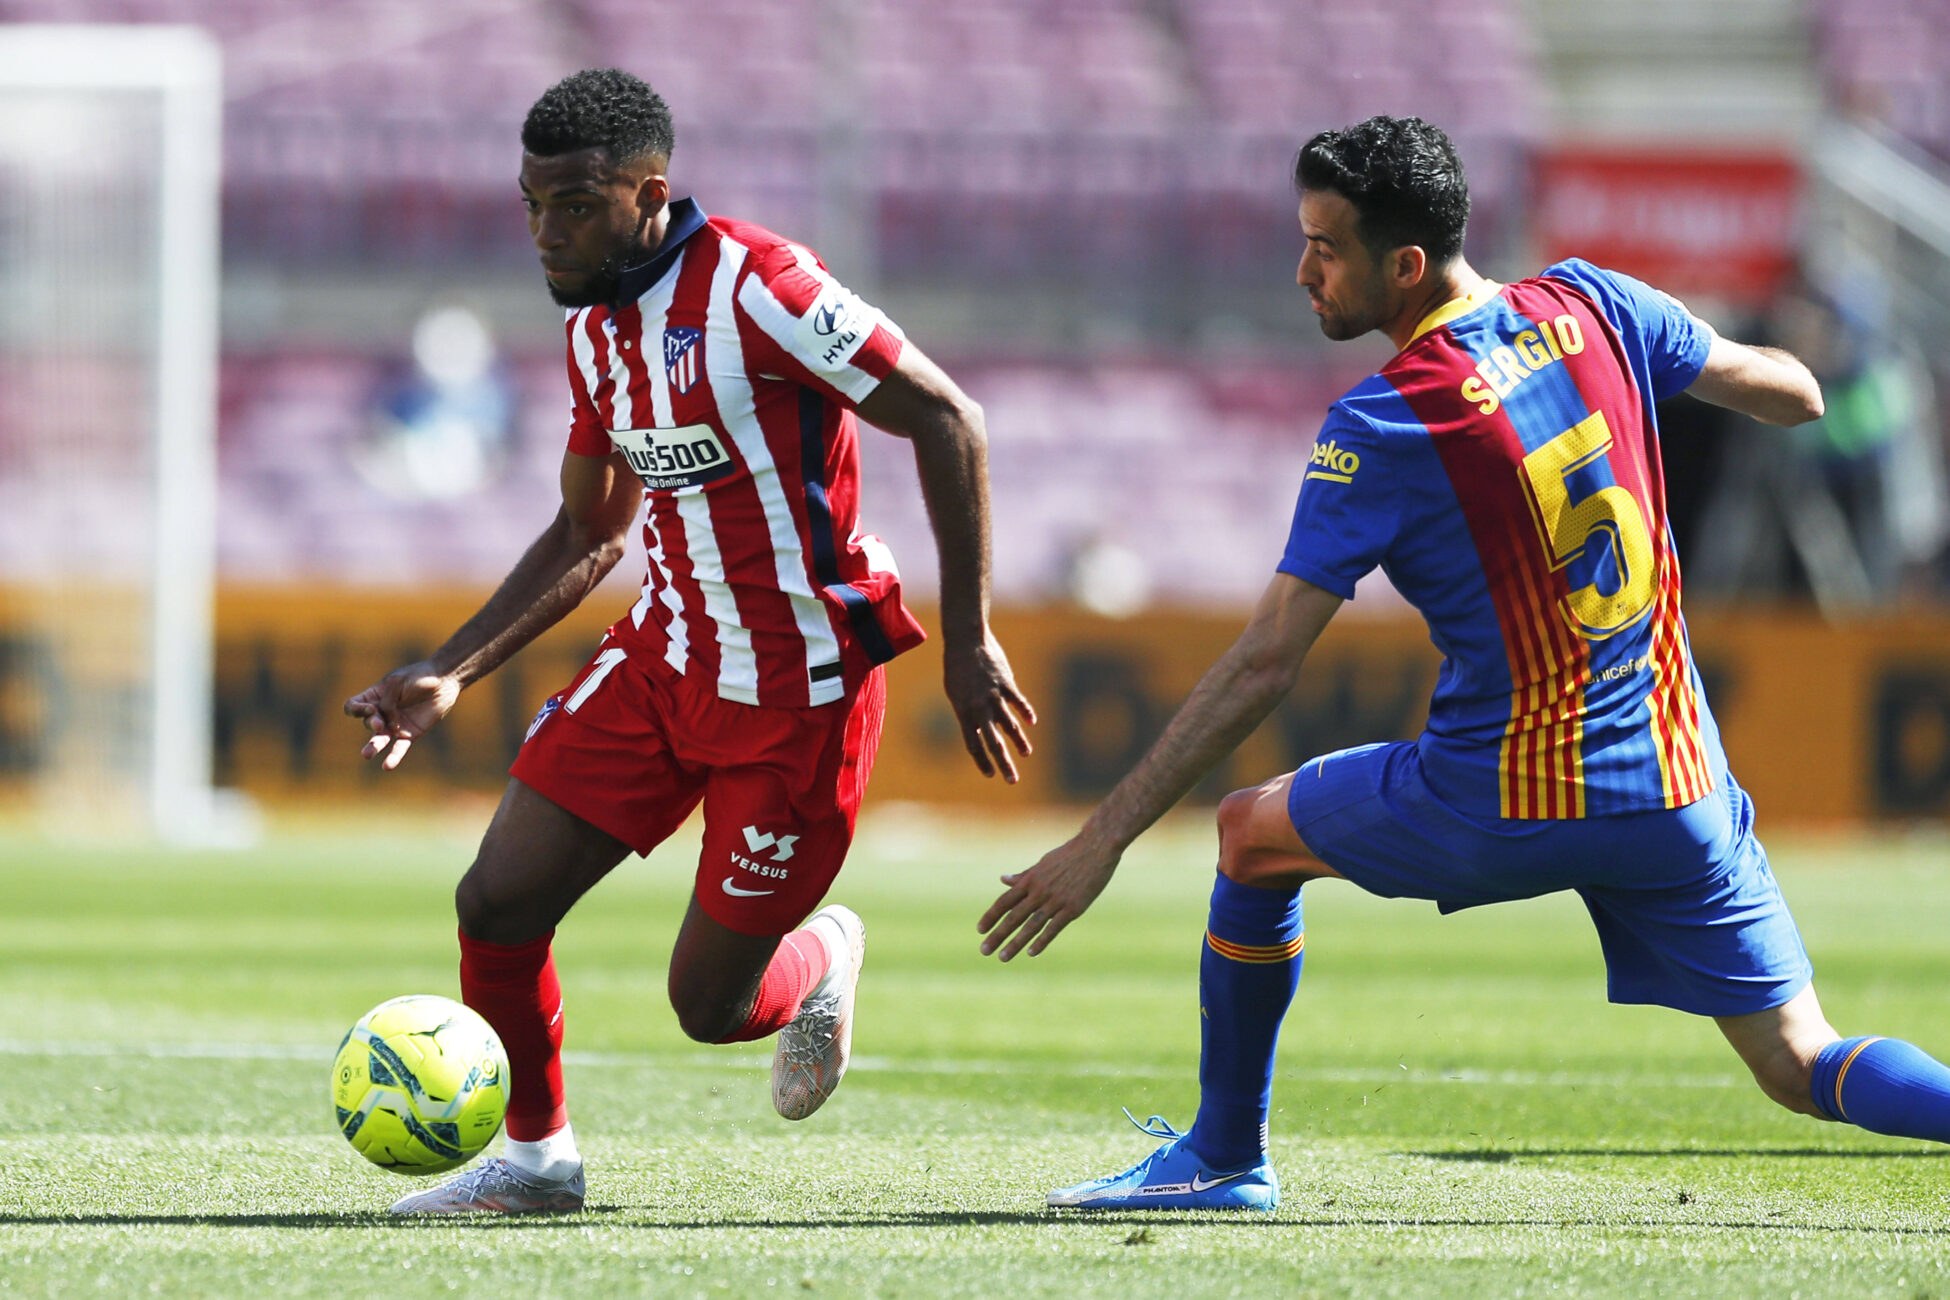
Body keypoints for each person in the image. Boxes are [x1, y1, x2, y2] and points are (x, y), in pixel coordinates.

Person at [978, 116, 1950, 1212]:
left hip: (1504, 793)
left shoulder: (1384, 421)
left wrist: (1102, 839)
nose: (1302, 271)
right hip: (1674, 787)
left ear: (1405, 264)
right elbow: (1797, 393)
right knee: (1803, 1062)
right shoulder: (1595, 304)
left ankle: (1224, 1158)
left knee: (1250, 835)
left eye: (1325, 248)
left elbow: (1264, 665)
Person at [347, 68, 1035, 1216]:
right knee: (495, 903)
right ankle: (537, 1160)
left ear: (650, 194)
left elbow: (947, 417)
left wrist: (969, 641)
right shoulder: (593, 326)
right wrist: (452, 668)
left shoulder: (763, 287)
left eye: (575, 206)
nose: (546, 232)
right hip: (664, 661)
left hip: (799, 697)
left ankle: (820, 957)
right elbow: (591, 528)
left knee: (708, 1007)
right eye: (532, 206)